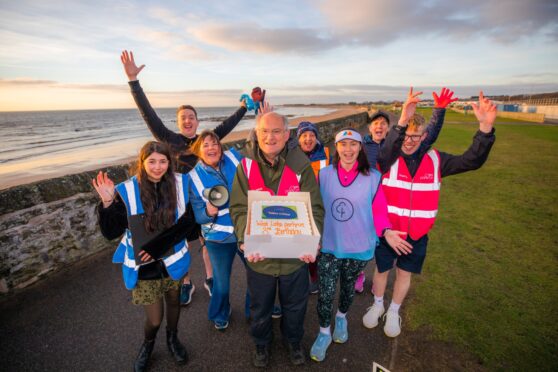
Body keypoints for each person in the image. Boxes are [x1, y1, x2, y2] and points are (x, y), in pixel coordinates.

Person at [362, 91, 496, 338]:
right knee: (381, 271)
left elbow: (471, 161)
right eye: (406, 136)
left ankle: (394, 310)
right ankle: (378, 304)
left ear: (425, 137)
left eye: (416, 136)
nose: (410, 141)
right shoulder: (388, 158)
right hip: (389, 231)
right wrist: (402, 119)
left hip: (417, 233)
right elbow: (385, 150)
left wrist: (485, 130)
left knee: (404, 273)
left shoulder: (437, 160)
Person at [121, 50, 248, 305]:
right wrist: (134, 82)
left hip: (203, 199)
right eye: (183, 118)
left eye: (191, 117)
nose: (188, 120)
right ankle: (186, 282)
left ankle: (210, 278)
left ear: (197, 120)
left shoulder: (205, 142)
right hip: (179, 201)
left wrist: (244, 107)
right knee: (183, 243)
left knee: (206, 241)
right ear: (178, 123)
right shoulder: (170, 139)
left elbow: (228, 124)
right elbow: (149, 114)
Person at [230, 112, 325, 368]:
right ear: (257, 135)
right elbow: (238, 208)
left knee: (295, 307)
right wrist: (243, 237)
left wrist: (312, 241)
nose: (269, 137)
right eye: (264, 132)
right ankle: (261, 344)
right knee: (260, 308)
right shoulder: (245, 167)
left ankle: (293, 341)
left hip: (294, 258)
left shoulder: (301, 165)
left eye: (275, 132)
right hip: (260, 258)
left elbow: (314, 209)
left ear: (286, 135)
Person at [309, 129, 409, 362]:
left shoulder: (373, 177)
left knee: (346, 290)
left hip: (359, 247)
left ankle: (342, 318)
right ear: (336, 147)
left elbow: (379, 210)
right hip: (329, 246)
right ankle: (324, 332)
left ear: (360, 148)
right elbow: (312, 206)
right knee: (325, 294)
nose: (348, 149)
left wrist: (385, 231)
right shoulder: (323, 175)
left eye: (353, 144)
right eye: (342, 144)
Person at [94, 141, 196, 371]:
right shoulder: (128, 190)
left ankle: (173, 339)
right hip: (144, 266)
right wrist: (108, 203)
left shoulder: (180, 184)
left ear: (169, 163)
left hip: (173, 260)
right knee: (155, 318)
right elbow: (111, 232)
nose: (157, 167)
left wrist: (158, 247)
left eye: (162, 161)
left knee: (174, 302)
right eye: (152, 161)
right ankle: (148, 345)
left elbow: (189, 222)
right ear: (142, 163)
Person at [354, 87, 457, 293]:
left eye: (383, 124)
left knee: (379, 244)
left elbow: (426, 137)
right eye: (376, 123)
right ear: (370, 127)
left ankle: (374, 282)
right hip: (366, 195)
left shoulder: (393, 144)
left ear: (387, 129)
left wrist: (439, 111)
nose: (379, 126)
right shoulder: (362, 145)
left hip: (384, 197)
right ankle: (359, 272)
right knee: (361, 240)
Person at [187, 130, 250, 330]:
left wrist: (260, 121)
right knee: (221, 283)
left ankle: (255, 309)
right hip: (218, 238)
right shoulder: (193, 178)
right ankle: (220, 312)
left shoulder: (234, 157)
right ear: (198, 150)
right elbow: (198, 216)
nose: (211, 148)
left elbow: (257, 147)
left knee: (258, 276)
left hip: (246, 230)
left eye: (214, 143)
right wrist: (207, 211)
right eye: (205, 145)